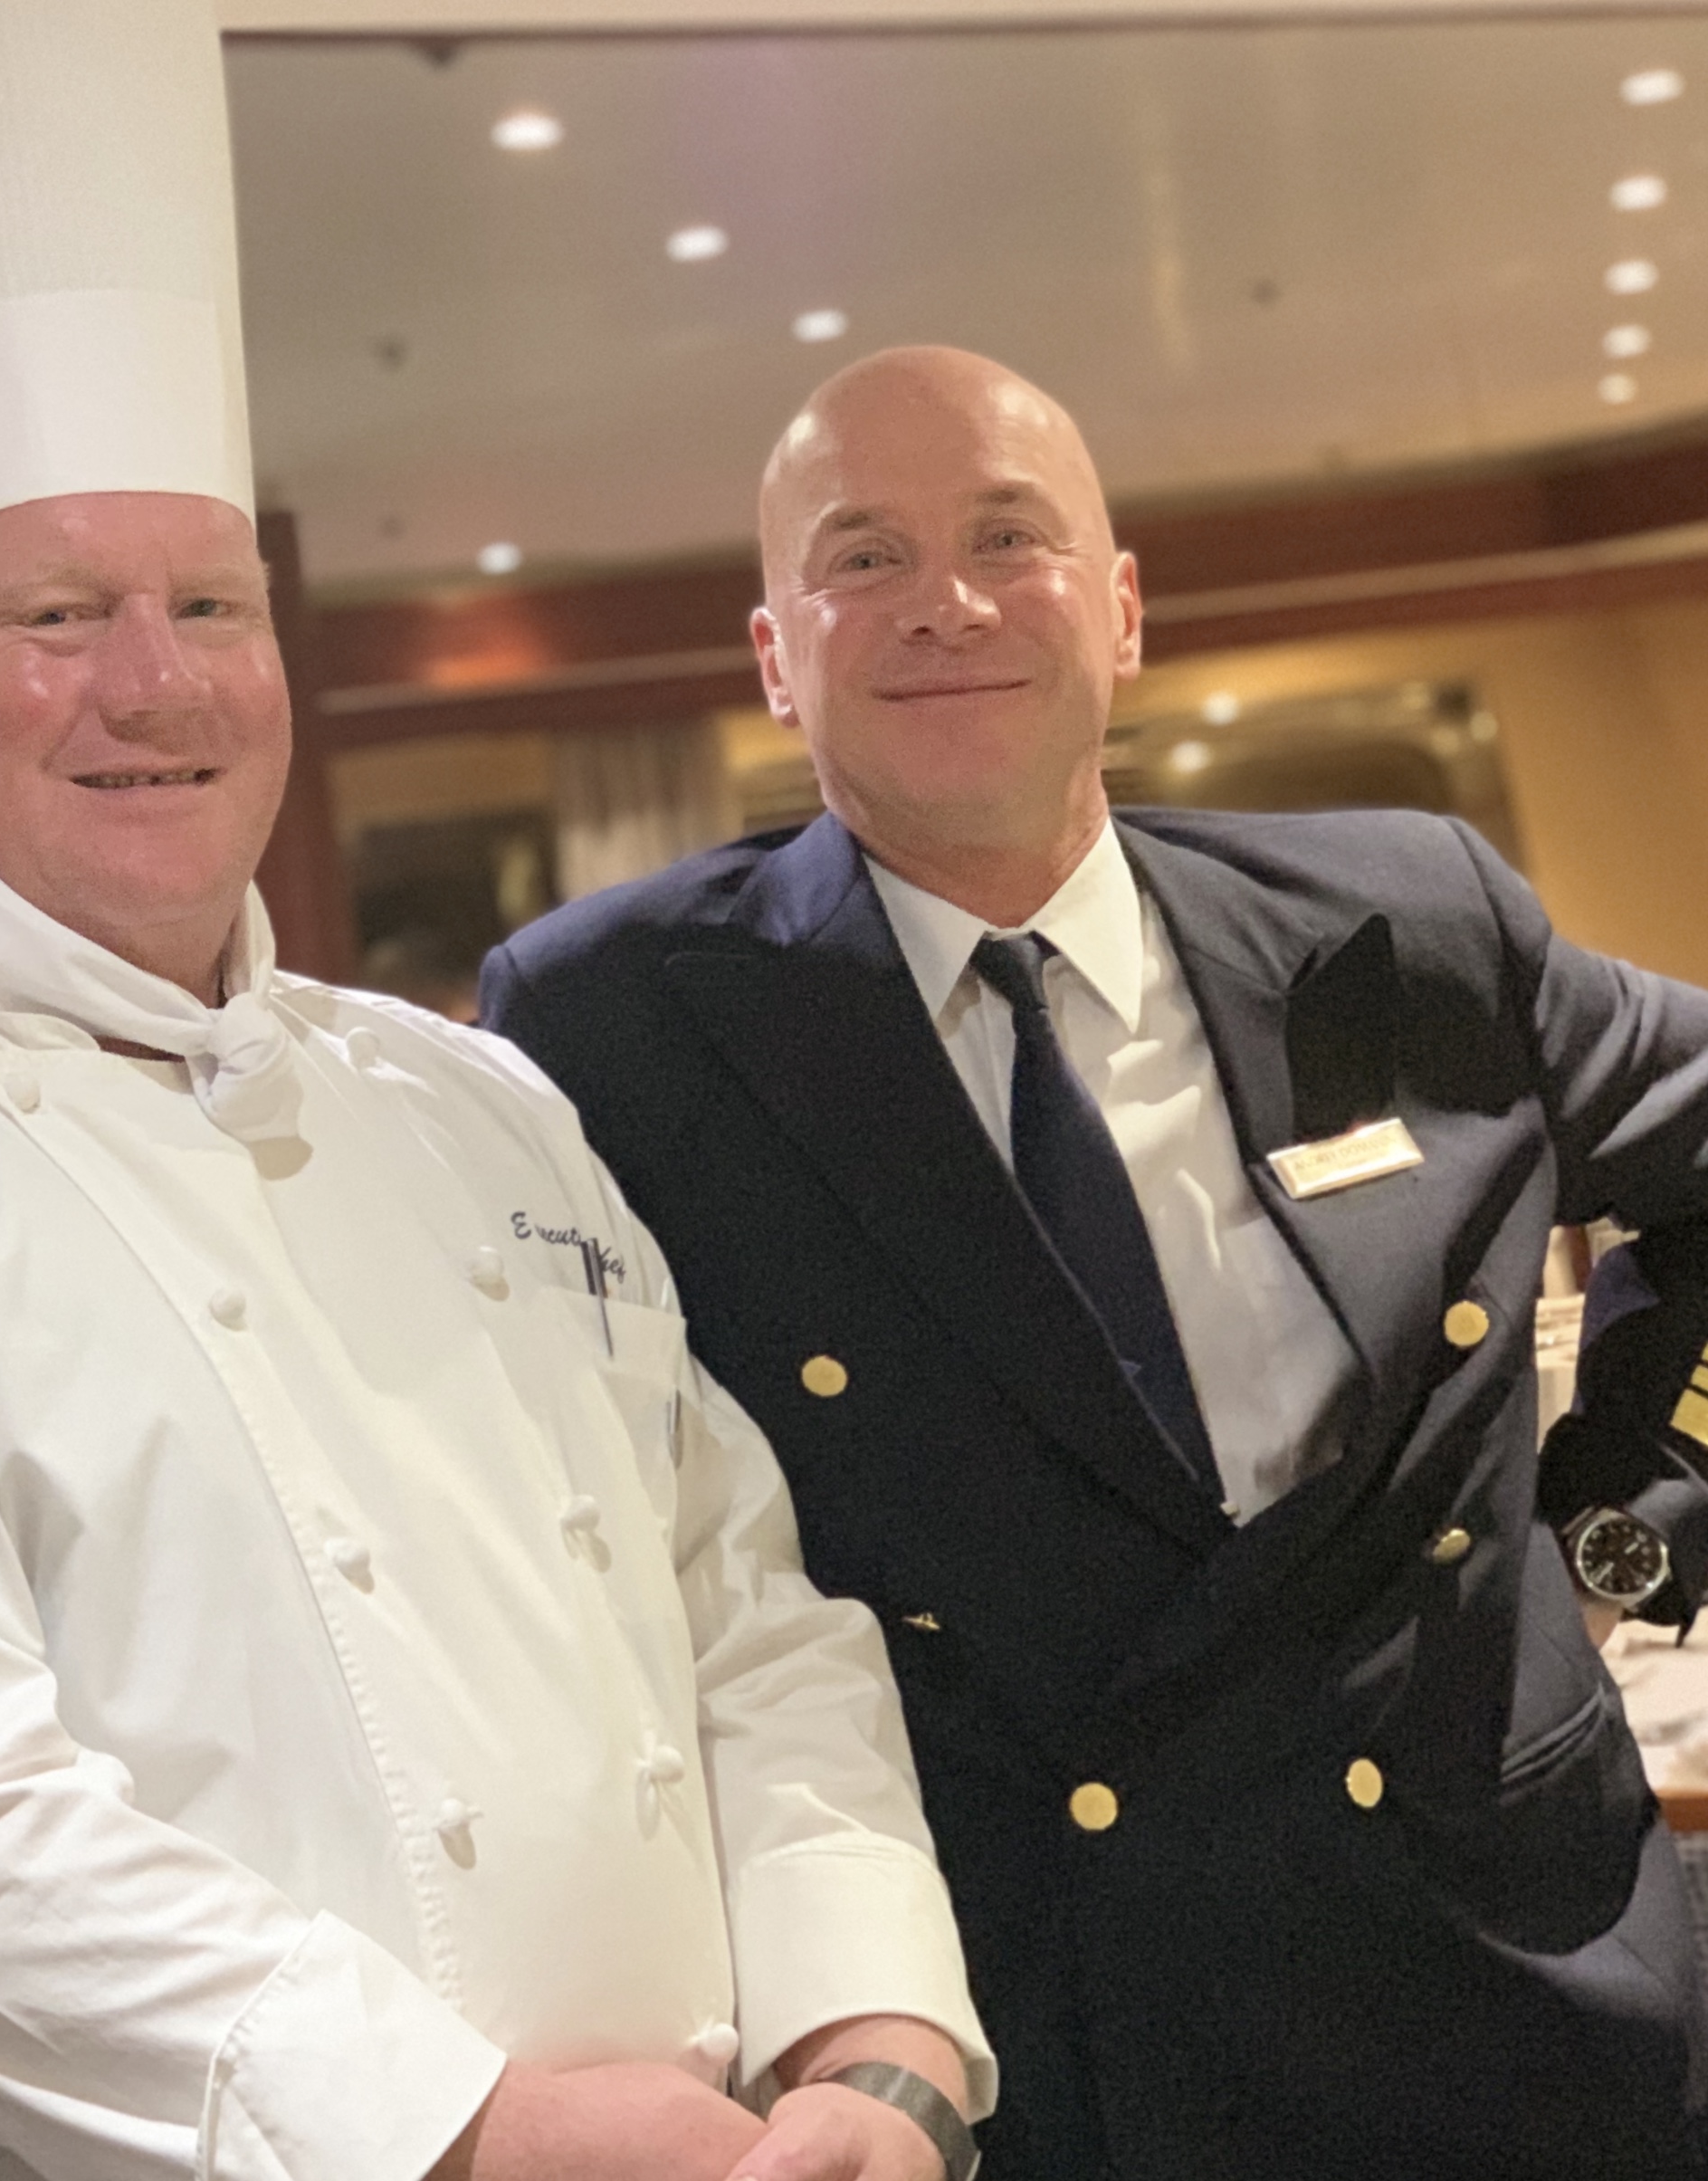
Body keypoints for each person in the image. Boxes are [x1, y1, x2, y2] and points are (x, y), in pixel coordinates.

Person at [0, 6, 988, 2181]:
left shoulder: (476, 1104)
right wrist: (469, 2128)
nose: (155, 681)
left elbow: (746, 1610)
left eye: (210, 600)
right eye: (56, 612)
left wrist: (872, 2042)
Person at [482, 343, 1708, 2180]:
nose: (948, 601)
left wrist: (1638, 1500)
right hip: (1040, 2042)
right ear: (775, 655)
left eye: (1009, 535)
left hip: (1512, 1988)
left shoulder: (1407, 923)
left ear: (1121, 610)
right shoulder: (621, 1022)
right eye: (865, 555)